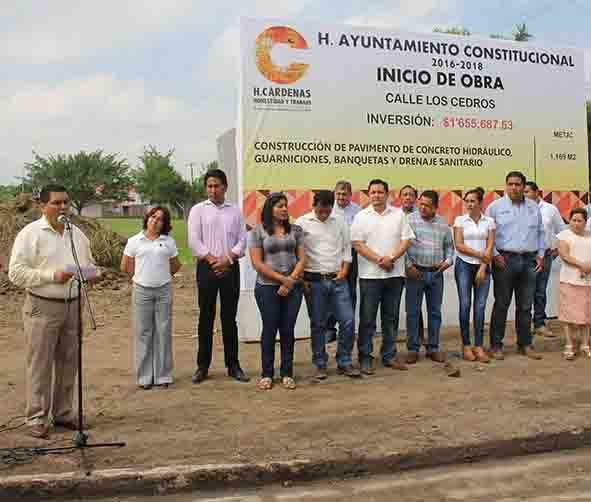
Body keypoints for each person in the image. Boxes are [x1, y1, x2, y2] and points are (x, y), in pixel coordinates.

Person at [8, 185, 95, 439]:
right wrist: (51, 276)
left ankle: (64, 413)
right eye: (56, 203)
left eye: (66, 202)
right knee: (40, 362)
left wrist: (91, 274)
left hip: (73, 304)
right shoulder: (30, 234)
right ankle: (36, 416)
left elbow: (88, 263)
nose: (63, 208)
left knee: (69, 361)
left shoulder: (76, 234)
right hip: (41, 305)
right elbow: (16, 272)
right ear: (42, 206)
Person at [187, 169, 249, 384]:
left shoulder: (235, 211)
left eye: (217, 186)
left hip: (230, 268)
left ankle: (233, 365)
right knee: (206, 317)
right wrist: (213, 260)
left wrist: (228, 259)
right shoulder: (198, 210)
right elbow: (194, 240)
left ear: (225, 186)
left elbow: (242, 240)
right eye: (209, 186)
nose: (213, 190)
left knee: (229, 319)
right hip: (207, 268)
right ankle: (202, 366)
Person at [351, 179, 415, 374]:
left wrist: (392, 258)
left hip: (394, 274)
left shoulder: (398, 215)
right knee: (367, 319)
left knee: (391, 317)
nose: (377, 195)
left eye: (380, 192)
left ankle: (389, 355)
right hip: (370, 276)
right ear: (368, 194)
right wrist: (380, 259)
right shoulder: (361, 216)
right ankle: (365, 357)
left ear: (387, 194)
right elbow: (358, 244)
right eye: (373, 192)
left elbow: (406, 240)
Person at [297, 190, 359, 379]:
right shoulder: (301, 223)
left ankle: (344, 361)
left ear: (332, 207)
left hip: (338, 279)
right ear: (313, 205)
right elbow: (297, 253)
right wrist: (302, 278)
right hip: (313, 281)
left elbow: (347, 248)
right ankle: (320, 363)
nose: (323, 214)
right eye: (320, 210)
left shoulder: (339, 221)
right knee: (318, 324)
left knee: (347, 321)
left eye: (327, 211)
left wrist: (345, 270)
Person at [120, 206, 182, 390]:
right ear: (147, 218)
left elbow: (175, 265)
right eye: (153, 217)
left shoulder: (168, 241)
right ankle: (144, 376)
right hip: (142, 290)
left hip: (163, 290)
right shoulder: (134, 241)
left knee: (163, 331)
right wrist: (140, 277)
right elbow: (125, 266)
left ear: (165, 224)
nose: (155, 221)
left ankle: (163, 375)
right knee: (143, 332)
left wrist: (161, 276)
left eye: (160, 219)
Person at [485, 171, 545, 360]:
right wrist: (494, 254)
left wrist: (541, 255)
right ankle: (496, 346)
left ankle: (525, 344)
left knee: (526, 306)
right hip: (504, 261)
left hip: (528, 261)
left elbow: (541, 233)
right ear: (505, 185)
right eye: (510, 184)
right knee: (501, 304)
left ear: (523, 186)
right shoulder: (495, 207)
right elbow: (488, 233)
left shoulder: (534, 207)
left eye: (518, 184)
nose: (514, 187)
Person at [249, 192, 305, 390]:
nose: (284, 209)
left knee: (288, 330)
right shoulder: (258, 232)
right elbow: (257, 263)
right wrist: (282, 280)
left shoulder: (296, 230)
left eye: (285, 206)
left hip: (293, 287)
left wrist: (290, 281)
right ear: (269, 208)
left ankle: (287, 373)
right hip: (266, 288)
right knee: (270, 329)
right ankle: (267, 374)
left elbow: (302, 260)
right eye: (279, 206)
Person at [405, 190, 454, 364]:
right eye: (421, 204)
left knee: (435, 312)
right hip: (415, 272)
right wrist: (408, 266)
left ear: (435, 207)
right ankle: (412, 349)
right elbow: (402, 245)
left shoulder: (442, 223)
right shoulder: (409, 220)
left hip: (436, 273)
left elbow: (449, 246)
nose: (423, 208)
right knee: (412, 312)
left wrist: (448, 261)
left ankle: (433, 348)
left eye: (427, 205)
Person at [453, 189, 496, 363]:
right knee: (465, 305)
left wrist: (483, 267)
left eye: (473, 201)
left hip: (483, 268)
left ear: (480, 203)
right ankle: (466, 345)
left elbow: (490, 245)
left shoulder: (490, 221)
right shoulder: (460, 220)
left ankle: (478, 346)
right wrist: (480, 256)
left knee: (479, 307)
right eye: (467, 201)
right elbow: (459, 245)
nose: (469, 204)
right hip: (463, 265)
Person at [524, 181, 566, 338]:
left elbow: (561, 230)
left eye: (528, 191)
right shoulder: (521, 208)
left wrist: (556, 250)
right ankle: (524, 325)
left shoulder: (550, 209)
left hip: (546, 255)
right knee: (526, 292)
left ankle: (539, 324)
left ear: (537, 192)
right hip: (526, 256)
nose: (525, 194)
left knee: (540, 291)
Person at [325, 180, 361, 343]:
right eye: (338, 193)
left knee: (350, 292)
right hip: (332, 254)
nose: (341, 197)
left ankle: (347, 329)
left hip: (352, 254)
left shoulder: (358, 211)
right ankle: (329, 329)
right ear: (334, 194)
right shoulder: (328, 209)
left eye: (344, 194)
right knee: (331, 291)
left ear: (350, 195)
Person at [557, 208, 591, 360]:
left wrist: (588, 267)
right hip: (569, 280)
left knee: (586, 314)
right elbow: (564, 255)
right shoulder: (564, 235)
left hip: (587, 281)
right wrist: (582, 266)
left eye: (580, 221)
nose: (577, 223)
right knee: (568, 314)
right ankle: (569, 344)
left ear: (585, 222)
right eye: (574, 220)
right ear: (569, 221)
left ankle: (584, 344)